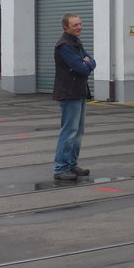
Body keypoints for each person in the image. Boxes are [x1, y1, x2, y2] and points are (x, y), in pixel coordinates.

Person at [53, 13, 96, 181]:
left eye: (80, 23)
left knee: (78, 131)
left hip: (79, 91)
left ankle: (71, 164)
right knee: (69, 131)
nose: (79, 27)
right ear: (65, 27)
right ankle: (61, 168)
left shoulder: (75, 43)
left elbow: (91, 61)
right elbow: (82, 68)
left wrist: (88, 62)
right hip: (69, 93)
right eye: (75, 25)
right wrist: (87, 63)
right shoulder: (64, 46)